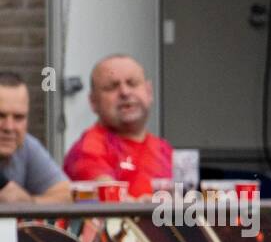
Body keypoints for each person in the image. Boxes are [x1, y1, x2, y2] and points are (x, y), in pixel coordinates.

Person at [63, 55, 172, 198]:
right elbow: (110, 200)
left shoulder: (163, 148)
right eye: (111, 87)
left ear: (149, 92)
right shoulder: (88, 149)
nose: (125, 92)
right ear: (93, 102)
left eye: (132, 83)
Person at [0, 72, 71, 203]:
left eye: (18, 117)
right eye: (1, 116)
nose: (9, 127)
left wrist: (28, 204)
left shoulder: (26, 146)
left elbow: (66, 195)